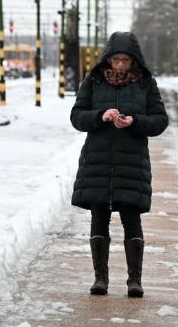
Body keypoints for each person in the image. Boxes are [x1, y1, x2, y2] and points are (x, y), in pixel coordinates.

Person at [69, 31, 169, 297]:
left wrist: (135, 121)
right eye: (116, 60)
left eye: (126, 60)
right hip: (98, 160)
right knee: (99, 218)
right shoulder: (94, 82)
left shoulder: (145, 84)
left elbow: (160, 120)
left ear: (134, 60)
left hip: (131, 162)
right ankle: (100, 279)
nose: (121, 65)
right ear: (108, 60)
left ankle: (134, 281)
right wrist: (100, 116)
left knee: (131, 218)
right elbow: (76, 117)